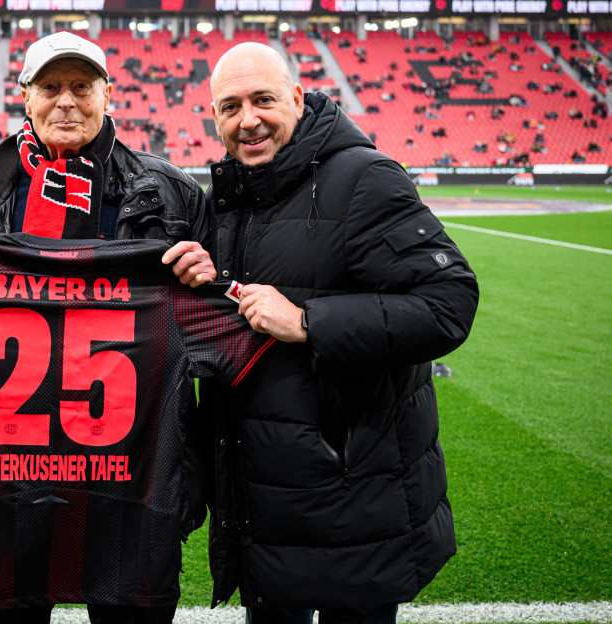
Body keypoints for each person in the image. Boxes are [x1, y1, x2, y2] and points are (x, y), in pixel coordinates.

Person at [0, 31, 216, 624]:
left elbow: (214, 337)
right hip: (4, 483)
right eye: (50, 87)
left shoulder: (177, 199)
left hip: (129, 478)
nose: (67, 101)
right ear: (24, 97)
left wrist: (210, 277)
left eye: (82, 86)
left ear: (109, 95)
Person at [202, 42, 479, 624]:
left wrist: (307, 322)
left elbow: (448, 302)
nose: (247, 119)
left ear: (298, 99)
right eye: (230, 107)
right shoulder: (232, 198)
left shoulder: (364, 178)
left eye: (263, 100)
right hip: (270, 507)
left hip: (355, 499)